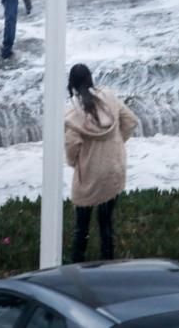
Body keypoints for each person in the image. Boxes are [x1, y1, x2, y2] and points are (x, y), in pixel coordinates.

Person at [64, 63, 139, 263]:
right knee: (106, 223)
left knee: (82, 227)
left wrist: (74, 163)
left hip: (89, 176)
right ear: (90, 78)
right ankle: (109, 265)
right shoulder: (110, 98)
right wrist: (116, 143)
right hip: (113, 170)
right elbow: (130, 121)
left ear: (71, 83)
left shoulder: (73, 114)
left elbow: (72, 147)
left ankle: (77, 266)